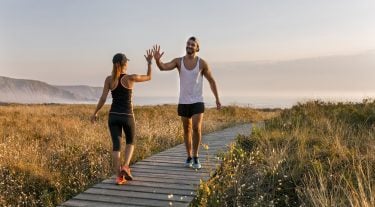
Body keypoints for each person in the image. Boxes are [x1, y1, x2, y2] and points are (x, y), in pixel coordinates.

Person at [153, 36, 221, 169]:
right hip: (183, 101)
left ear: (197, 48)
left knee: (196, 128)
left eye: (192, 45)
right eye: (188, 44)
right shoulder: (179, 61)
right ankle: (189, 156)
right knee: (187, 129)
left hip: (197, 100)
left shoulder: (202, 64)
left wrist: (217, 99)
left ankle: (196, 156)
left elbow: (212, 81)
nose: (189, 46)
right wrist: (157, 60)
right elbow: (163, 67)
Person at [91, 49, 153, 185]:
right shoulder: (130, 78)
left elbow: (102, 98)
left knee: (116, 146)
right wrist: (149, 62)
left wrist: (95, 112)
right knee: (130, 142)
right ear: (124, 64)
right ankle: (126, 166)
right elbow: (149, 77)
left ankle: (119, 176)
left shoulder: (109, 79)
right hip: (127, 116)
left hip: (113, 116)